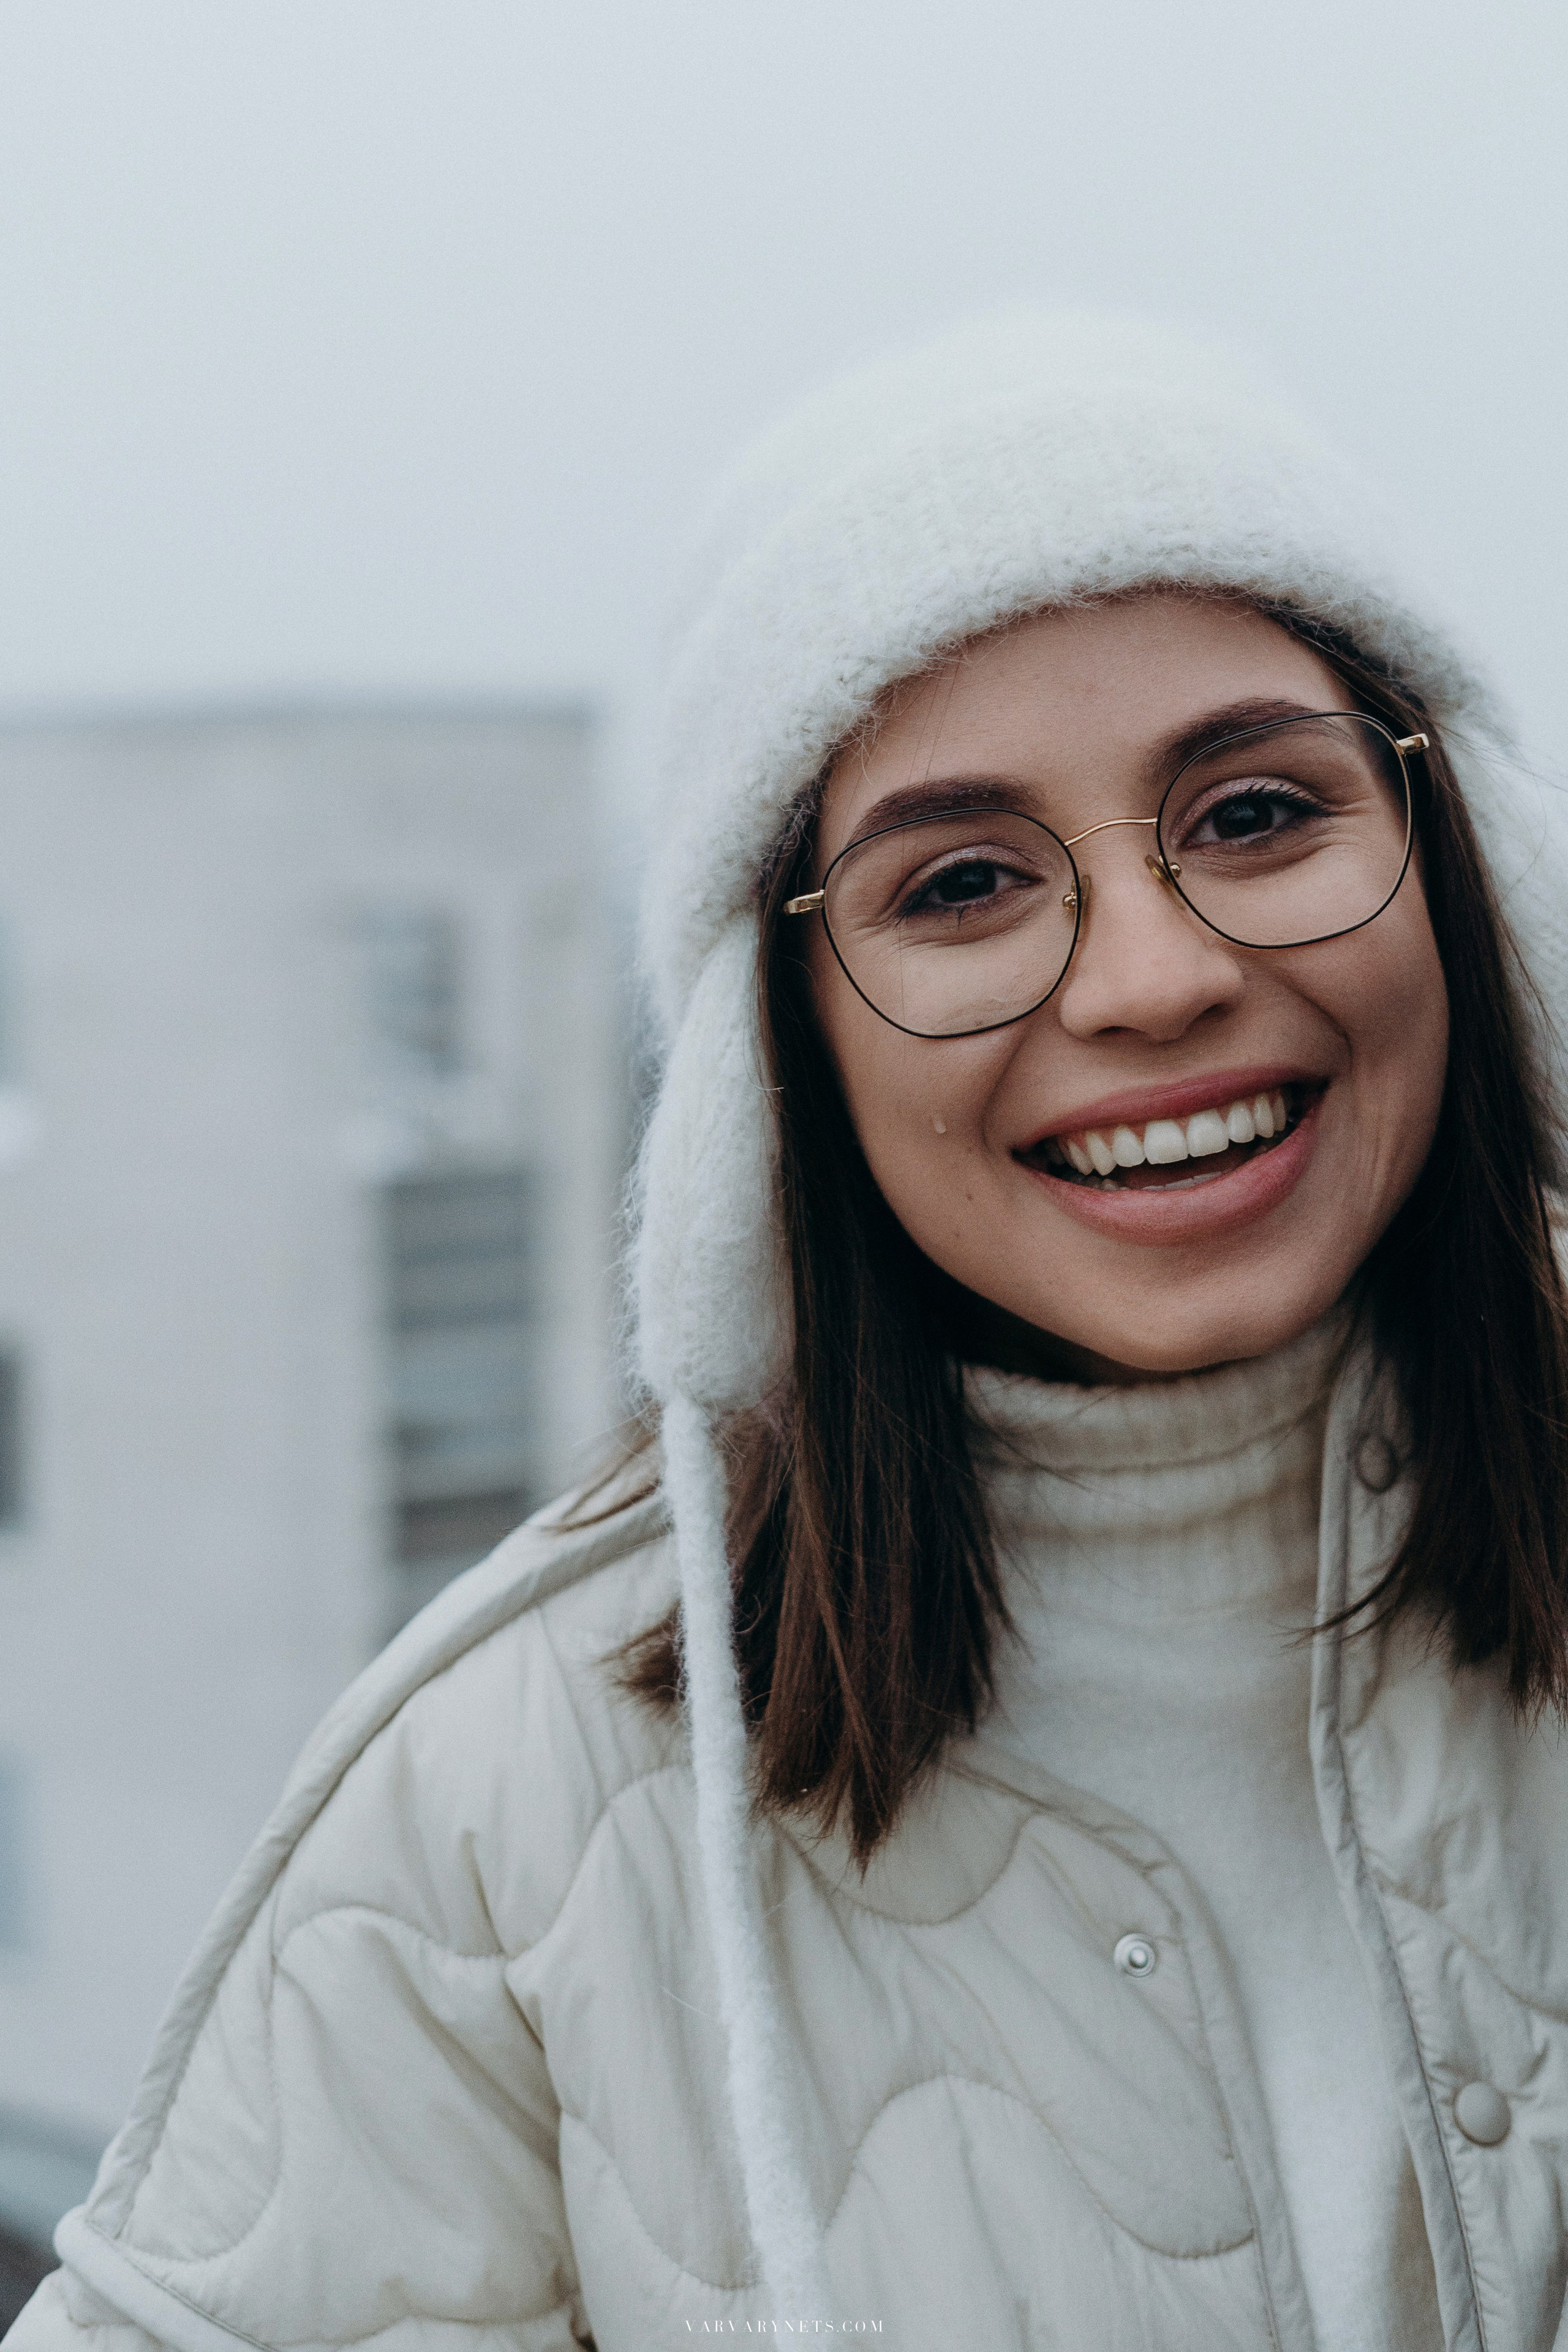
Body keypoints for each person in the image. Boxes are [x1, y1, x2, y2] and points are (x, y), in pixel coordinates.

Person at [12, 312, 1568, 2352]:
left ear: (1446, 851)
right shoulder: (503, 1804)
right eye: (966, 884)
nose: (1158, 978)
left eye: (1261, 814)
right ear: (780, 1046)